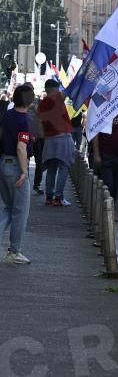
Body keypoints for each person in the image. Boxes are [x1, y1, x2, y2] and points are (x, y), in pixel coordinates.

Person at [1, 84, 36, 264]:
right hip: (16, 166)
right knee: (20, 211)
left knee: (8, 207)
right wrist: (24, 171)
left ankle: (14, 251)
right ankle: (14, 251)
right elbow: (21, 147)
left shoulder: (7, 115)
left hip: (3, 163)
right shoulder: (24, 120)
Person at [38, 79, 75, 206]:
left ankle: (49, 197)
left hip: (50, 138)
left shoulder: (42, 103)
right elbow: (67, 92)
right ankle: (58, 198)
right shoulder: (55, 97)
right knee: (63, 167)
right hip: (63, 137)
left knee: (51, 168)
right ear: (53, 89)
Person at [92, 109, 118, 206]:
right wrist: (96, 154)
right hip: (105, 156)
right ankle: (104, 207)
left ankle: (111, 208)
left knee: (116, 185)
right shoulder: (104, 111)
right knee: (108, 185)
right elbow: (95, 134)